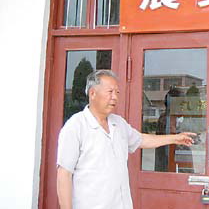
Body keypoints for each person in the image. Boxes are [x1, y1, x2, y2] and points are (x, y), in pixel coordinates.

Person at [56, 70, 196, 209]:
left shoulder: (118, 123)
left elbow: (141, 140)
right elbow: (64, 175)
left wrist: (175, 138)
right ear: (93, 93)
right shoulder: (75, 127)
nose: (115, 97)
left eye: (117, 92)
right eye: (110, 92)